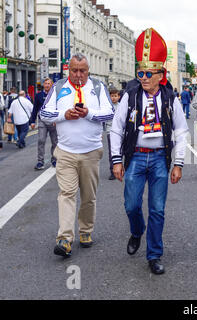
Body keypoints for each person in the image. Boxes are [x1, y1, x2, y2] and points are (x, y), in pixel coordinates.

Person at [110, 28, 188, 275]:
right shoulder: (130, 96)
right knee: (132, 205)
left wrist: (178, 163)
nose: (143, 78)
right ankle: (136, 231)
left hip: (158, 159)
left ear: (160, 74)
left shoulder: (170, 98)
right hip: (135, 156)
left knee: (157, 209)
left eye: (148, 73)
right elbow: (116, 128)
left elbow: (182, 131)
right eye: (140, 73)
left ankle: (154, 255)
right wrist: (116, 160)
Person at [40, 53, 115, 257]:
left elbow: (110, 114)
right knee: (67, 194)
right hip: (65, 152)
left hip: (91, 152)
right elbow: (44, 114)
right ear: (68, 69)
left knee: (88, 197)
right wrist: (64, 115)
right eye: (74, 70)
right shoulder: (58, 87)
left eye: (82, 70)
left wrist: (88, 114)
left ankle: (85, 230)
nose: (78, 74)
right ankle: (64, 238)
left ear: (88, 70)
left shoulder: (98, 87)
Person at [30, 78, 58, 170]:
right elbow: (35, 109)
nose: (47, 85)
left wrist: (57, 119)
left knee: (55, 142)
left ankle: (54, 159)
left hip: (53, 120)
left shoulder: (56, 95)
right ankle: (40, 161)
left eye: (49, 83)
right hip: (42, 121)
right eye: (45, 83)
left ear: (52, 85)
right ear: (43, 85)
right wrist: (32, 121)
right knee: (41, 140)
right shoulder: (38, 95)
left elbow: (59, 108)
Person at [104, 87, 121, 180]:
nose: (113, 98)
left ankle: (120, 167)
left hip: (120, 131)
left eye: (115, 96)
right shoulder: (107, 106)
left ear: (119, 97)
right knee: (112, 151)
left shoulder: (121, 106)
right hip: (110, 130)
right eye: (112, 96)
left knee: (120, 150)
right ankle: (112, 170)